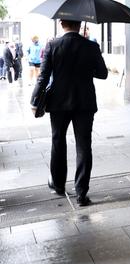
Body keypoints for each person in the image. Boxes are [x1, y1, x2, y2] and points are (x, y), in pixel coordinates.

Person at [31, 19, 108, 206]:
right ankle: (81, 193)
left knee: (58, 140)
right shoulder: (91, 46)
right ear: (80, 24)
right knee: (84, 145)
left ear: (61, 23)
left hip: (58, 102)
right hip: (85, 102)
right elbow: (103, 73)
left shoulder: (52, 45)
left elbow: (43, 76)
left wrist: (34, 101)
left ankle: (58, 184)